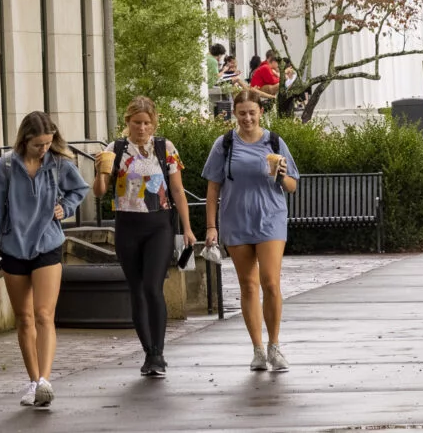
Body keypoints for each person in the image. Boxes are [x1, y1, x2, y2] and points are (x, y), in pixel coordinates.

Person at [0, 109, 91, 408]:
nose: (44, 149)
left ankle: (45, 381)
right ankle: (32, 381)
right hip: (13, 247)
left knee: (43, 315)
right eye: (38, 144)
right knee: (24, 318)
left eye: (48, 143)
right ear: (25, 140)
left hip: (47, 244)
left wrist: (65, 207)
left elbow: (80, 188)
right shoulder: (4, 167)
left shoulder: (57, 164)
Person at [98, 95, 197, 378]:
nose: (141, 128)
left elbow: (177, 191)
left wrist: (188, 229)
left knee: (153, 286)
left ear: (154, 123)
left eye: (146, 123)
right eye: (136, 123)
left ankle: (159, 353)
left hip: (158, 225)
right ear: (127, 122)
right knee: (137, 289)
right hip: (127, 225)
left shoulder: (165, 148)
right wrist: (100, 172)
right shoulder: (115, 149)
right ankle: (148, 352)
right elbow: (100, 192)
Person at [204, 91, 300, 373]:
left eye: (252, 113)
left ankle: (275, 346)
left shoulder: (274, 141)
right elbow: (213, 188)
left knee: (270, 282)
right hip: (236, 219)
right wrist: (211, 226)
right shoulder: (224, 144)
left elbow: (292, 186)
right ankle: (258, 350)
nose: (247, 118)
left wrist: (282, 174)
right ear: (235, 113)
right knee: (248, 285)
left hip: (270, 217)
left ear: (260, 113)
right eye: (242, 113)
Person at [210, 42, 240, 120]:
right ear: (219, 54)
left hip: (214, 82)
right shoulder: (213, 61)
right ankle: (239, 103)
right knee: (237, 79)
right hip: (214, 83)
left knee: (235, 83)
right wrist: (224, 70)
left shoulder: (208, 58)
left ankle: (237, 105)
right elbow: (217, 77)